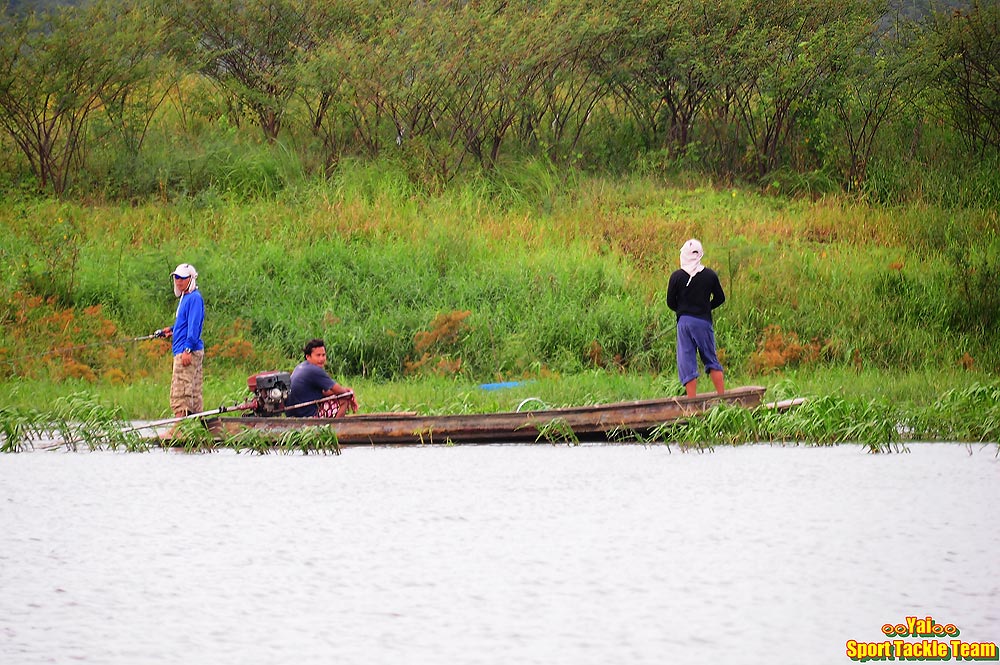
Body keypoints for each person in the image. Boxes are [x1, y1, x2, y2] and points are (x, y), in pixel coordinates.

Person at [666, 239, 726, 398]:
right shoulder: (710, 275)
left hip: (684, 323)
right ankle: (722, 398)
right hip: (703, 322)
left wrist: (683, 311)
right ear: (700, 254)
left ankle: (691, 403)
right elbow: (720, 298)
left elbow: (671, 302)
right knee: (710, 359)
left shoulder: (676, 277)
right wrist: (705, 308)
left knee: (687, 361)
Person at [160, 263, 205, 418]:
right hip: (186, 348)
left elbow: (194, 327)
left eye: (182, 278)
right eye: (176, 278)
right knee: (193, 392)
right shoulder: (186, 297)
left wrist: (187, 350)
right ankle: (196, 430)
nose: (179, 281)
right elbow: (184, 323)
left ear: (190, 279)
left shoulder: (194, 298)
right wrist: (171, 330)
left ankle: (179, 428)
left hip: (186, 351)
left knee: (181, 392)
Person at [286, 338, 358, 418]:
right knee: (343, 400)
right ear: (308, 357)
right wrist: (349, 394)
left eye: (323, 355)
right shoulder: (314, 370)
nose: (321, 359)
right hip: (306, 415)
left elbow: (325, 392)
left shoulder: (301, 366)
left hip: (294, 413)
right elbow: (339, 391)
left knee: (340, 395)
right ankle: (334, 428)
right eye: (318, 355)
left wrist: (347, 391)